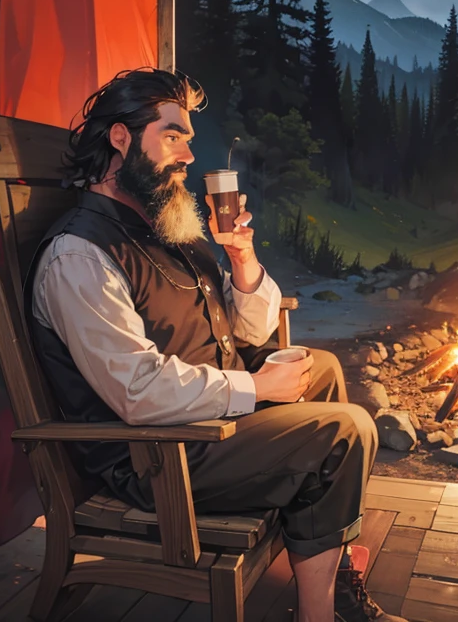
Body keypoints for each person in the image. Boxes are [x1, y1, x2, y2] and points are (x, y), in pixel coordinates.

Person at [29, 68, 408, 622]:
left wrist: (242, 261)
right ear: (120, 138)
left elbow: (245, 333)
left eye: (188, 138)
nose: (188, 154)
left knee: (317, 368)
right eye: (173, 136)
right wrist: (256, 385)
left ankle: (332, 572)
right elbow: (136, 391)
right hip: (158, 459)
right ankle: (320, 615)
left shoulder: (158, 226)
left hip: (199, 426)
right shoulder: (78, 257)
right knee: (345, 429)